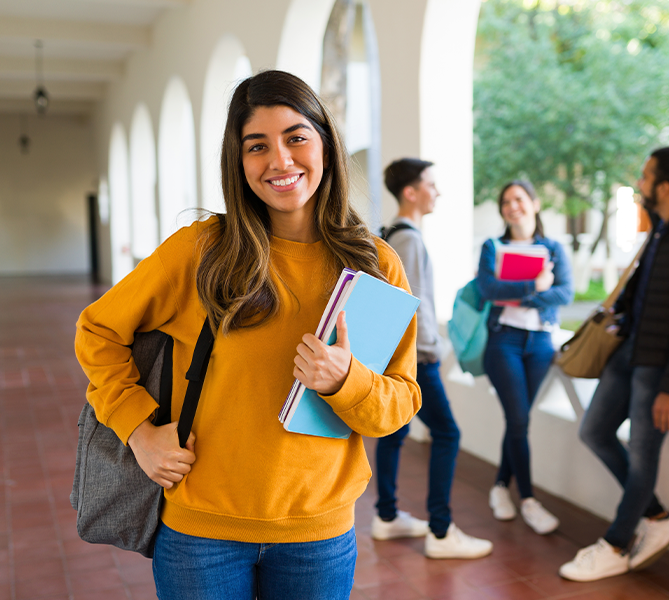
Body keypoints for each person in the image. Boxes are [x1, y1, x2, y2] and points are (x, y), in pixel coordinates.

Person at [74, 70, 421, 600]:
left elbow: (398, 404)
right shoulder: (201, 251)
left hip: (318, 535)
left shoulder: (375, 265)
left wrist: (345, 380)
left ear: (325, 143)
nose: (280, 161)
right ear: (238, 163)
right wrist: (139, 431)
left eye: (296, 137)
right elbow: (97, 330)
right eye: (257, 146)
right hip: (201, 532)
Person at [559, 147, 669, 582]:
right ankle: (657, 516)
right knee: (594, 431)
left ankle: (615, 542)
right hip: (627, 352)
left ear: (664, 186)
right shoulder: (662, 230)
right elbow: (641, 292)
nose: (641, 184)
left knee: (645, 455)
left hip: (659, 367)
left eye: (647, 177)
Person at [371, 158, 493, 559]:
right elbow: (411, 304)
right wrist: (430, 352)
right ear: (411, 192)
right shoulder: (409, 238)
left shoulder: (390, 233)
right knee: (448, 434)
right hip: (417, 359)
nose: (437, 191)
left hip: (396, 356)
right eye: (431, 184)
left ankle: (387, 517)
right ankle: (441, 532)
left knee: (395, 432)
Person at [476, 180, 573, 534]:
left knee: (519, 422)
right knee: (518, 420)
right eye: (505, 201)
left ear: (534, 203)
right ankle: (529, 500)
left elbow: (565, 293)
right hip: (504, 342)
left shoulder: (552, 248)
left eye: (518, 199)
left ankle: (500, 487)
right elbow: (488, 289)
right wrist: (534, 287)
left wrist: (522, 296)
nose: (511, 206)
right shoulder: (493, 246)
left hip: (541, 344)